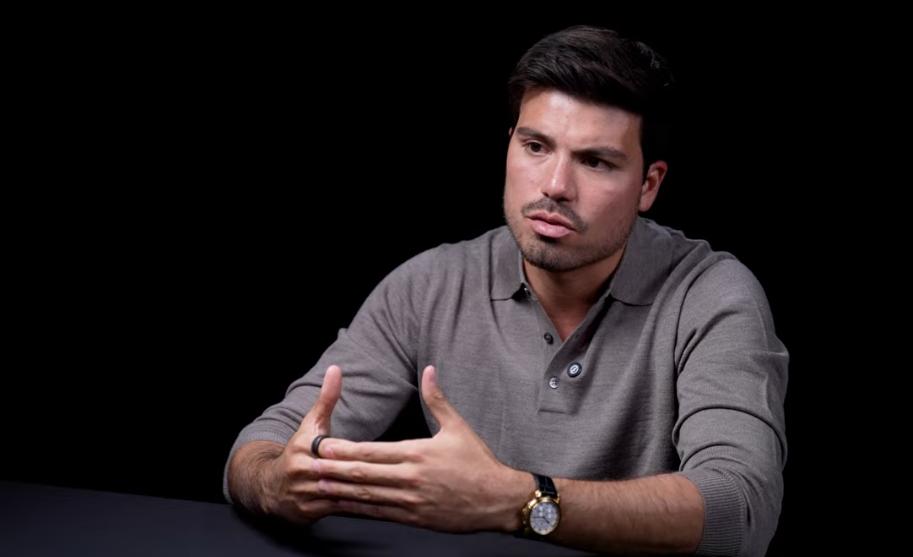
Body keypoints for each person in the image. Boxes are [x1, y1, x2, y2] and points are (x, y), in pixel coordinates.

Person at [224, 25, 788, 557]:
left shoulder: (709, 295)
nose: (555, 186)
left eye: (595, 161)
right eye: (536, 146)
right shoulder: (430, 284)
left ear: (648, 185)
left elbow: (741, 509)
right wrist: (279, 484)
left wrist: (518, 500)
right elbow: (258, 450)